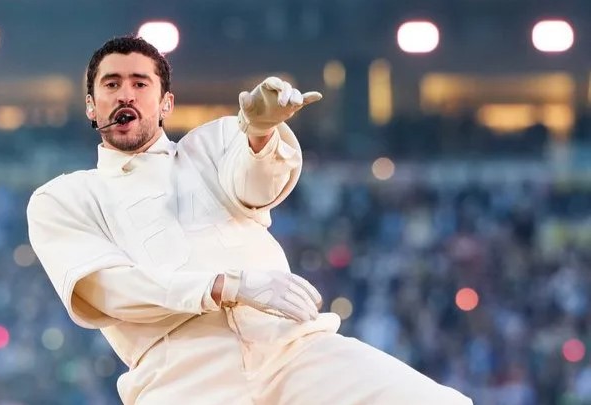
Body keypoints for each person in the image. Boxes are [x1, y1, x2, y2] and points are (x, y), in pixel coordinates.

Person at [26, 35, 473, 405]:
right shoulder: (62, 198)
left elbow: (257, 186)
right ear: (91, 106)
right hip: (180, 374)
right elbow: (108, 288)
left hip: (290, 347)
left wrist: (260, 133)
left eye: (140, 83)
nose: (126, 94)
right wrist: (227, 286)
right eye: (112, 84)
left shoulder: (212, 143)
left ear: (165, 104)